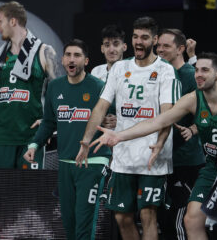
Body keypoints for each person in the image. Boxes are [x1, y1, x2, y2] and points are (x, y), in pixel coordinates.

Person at [88, 52, 217, 240]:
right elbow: (157, 122)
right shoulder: (192, 99)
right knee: (191, 219)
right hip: (211, 167)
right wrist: (119, 135)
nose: (198, 74)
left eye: (205, 70)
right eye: (197, 70)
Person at [75, 16, 181, 240]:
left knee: (148, 215)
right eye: (135, 37)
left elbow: (167, 114)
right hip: (123, 155)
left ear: (154, 39)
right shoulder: (120, 68)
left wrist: (160, 143)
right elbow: (101, 106)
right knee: (122, 217)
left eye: (144, 37)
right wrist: (86, 140)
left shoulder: (166, 71)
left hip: (153, 157)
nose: (139, 42)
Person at [24, 39, 111, 239]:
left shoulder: (99, 87)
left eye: (77, 55)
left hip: (93, 162)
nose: (72, 59)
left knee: (84, 220)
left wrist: (113, 122)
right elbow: (48, 122)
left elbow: (114, 119)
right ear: (62, 60)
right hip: (65, 162)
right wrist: (34, 145)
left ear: (86, 61)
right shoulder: (54, 87)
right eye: (68, 55)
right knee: (68, 222)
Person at [0, 1, 59, 169]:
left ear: (13, 21)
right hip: (1, 139)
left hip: (31, 139)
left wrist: (49, 123)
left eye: (0, 21)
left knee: (29, 193)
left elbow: (60, 92)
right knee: (1, 194)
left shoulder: (44, 51)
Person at [156, 28, 205, 240]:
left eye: (166, 46)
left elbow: (207, 112)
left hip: (186, 160)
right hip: (160, 159)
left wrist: (193, 129)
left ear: (181, 49)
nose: (160, 50)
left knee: (179, 217)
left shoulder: (191, 76)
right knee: (164, 217)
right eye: (158, 45)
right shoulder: (156, 74)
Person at [91, 24, 127, 129]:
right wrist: (100, 119)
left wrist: (121, 121)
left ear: (124, 47)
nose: (111, 50)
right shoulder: (96, 72)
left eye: (116, 44)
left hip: (125, 134)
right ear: (102, 48)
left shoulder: (133, 72)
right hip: (101, 132)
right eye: (107, 45)